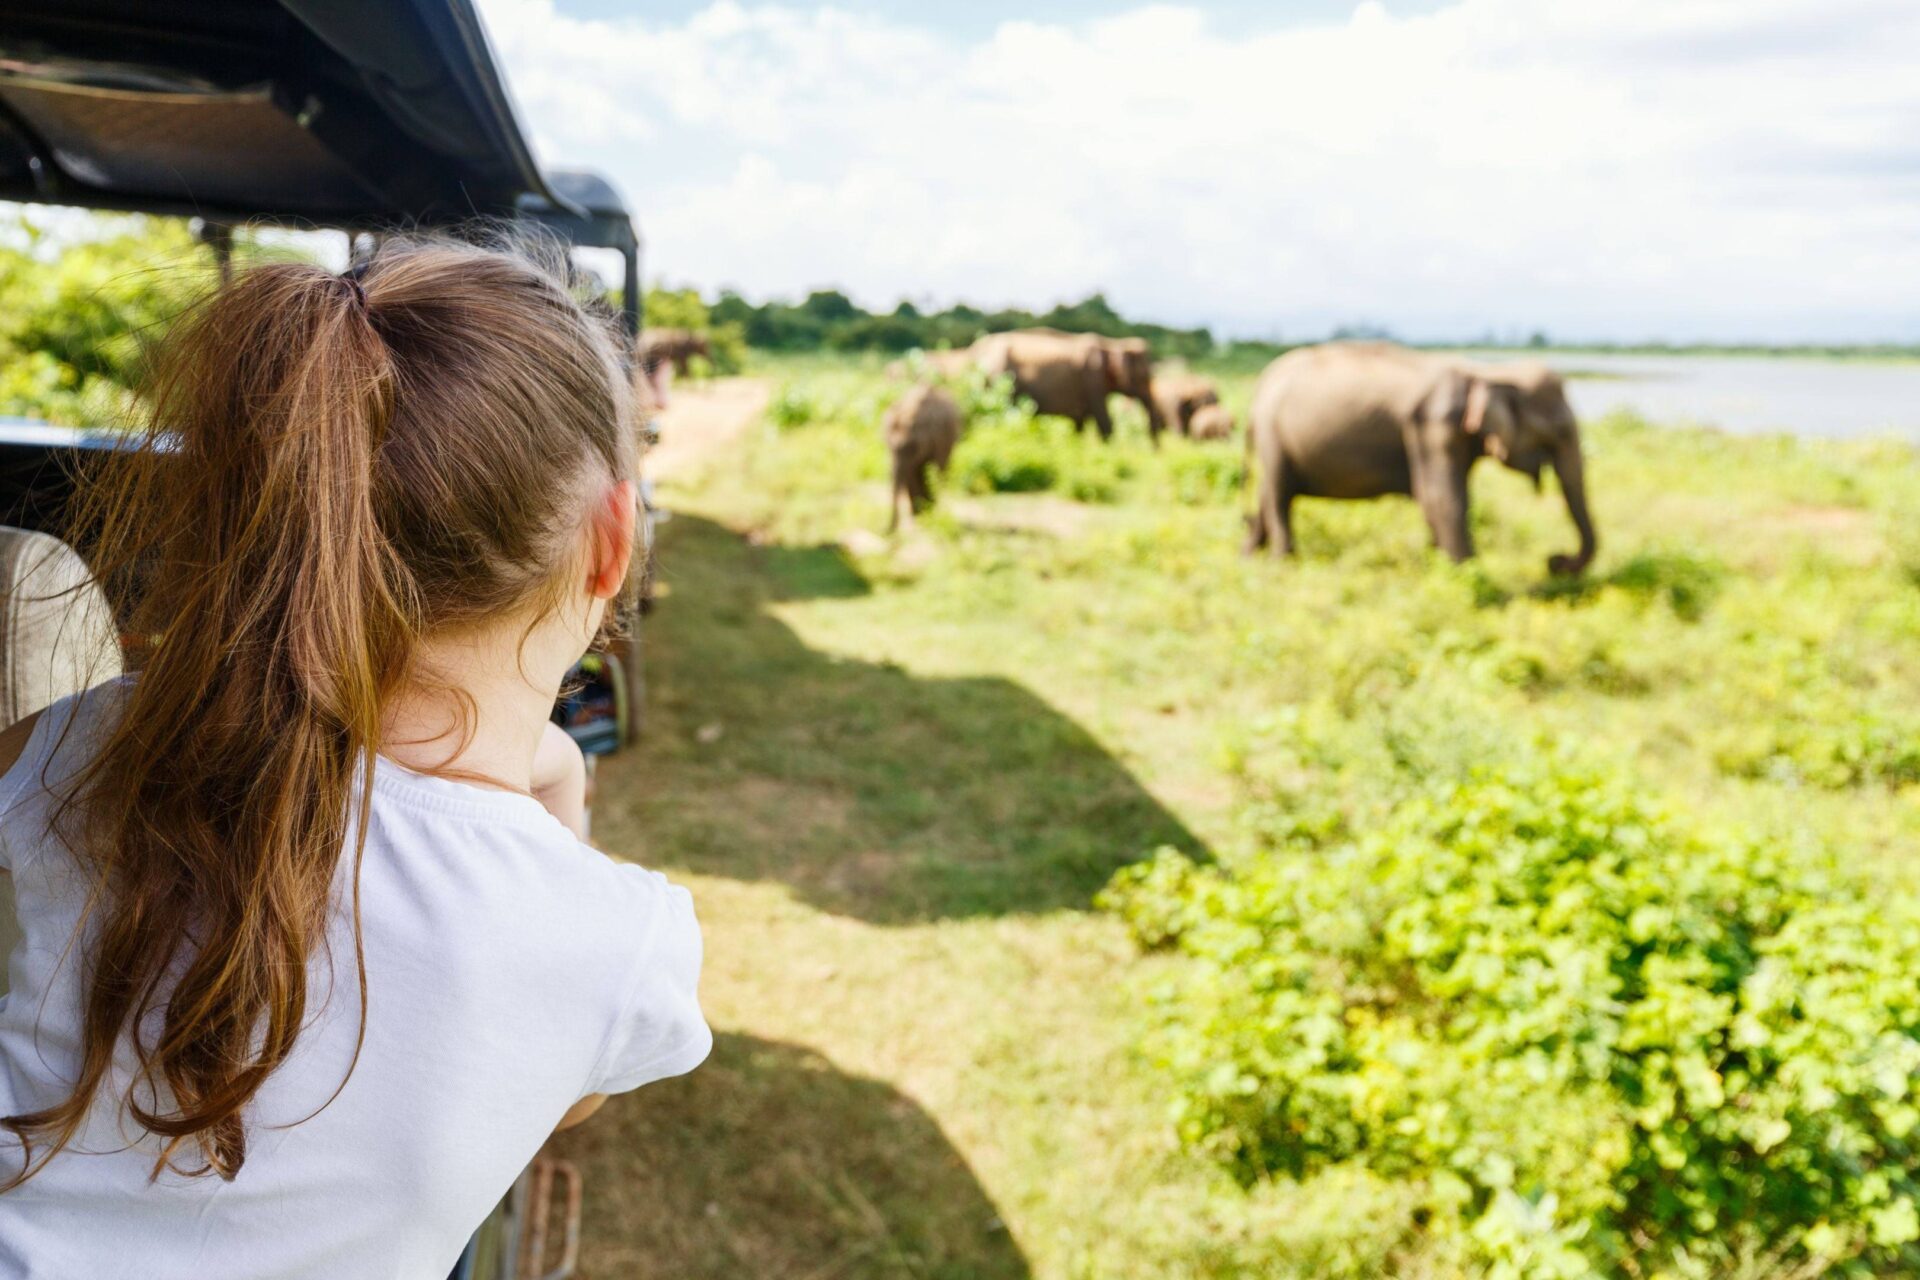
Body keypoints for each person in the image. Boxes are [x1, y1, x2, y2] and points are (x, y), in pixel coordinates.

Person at [0, 236, 709, 1276]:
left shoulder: (90, 741)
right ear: (611, 543)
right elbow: (563, 1093)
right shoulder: (619, 947)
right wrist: (558, 788)